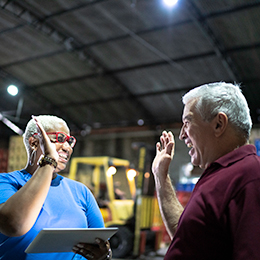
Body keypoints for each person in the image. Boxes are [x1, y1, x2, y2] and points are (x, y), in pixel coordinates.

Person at [152, 82, 260, 259]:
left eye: (187, 122)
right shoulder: (221, 174)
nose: (181, 135)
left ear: (219, 124)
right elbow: (189, 238)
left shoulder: (250, 177)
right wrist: (160, 176)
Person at [0, 115, 112, 260]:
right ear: (34, 142)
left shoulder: (81, 192)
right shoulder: (7, 183)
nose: (67, 147)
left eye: (70, 141)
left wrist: (104, 256)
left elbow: (101, 244)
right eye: (59, 139)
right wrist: (49, 161)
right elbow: (14, 224)